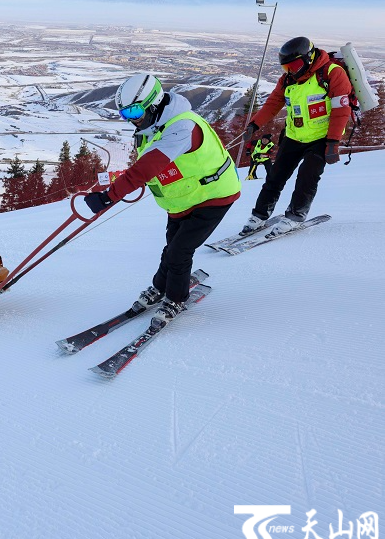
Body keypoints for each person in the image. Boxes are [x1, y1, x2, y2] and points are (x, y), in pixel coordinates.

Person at [82, 74, 241, 325]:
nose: (131, 119)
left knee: (180, 251)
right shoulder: (150, 126)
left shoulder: (182, 127)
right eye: (124, 114)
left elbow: (147, 167)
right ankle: (160, 287)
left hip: (214, 194)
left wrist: (109, 196)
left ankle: (176, 298)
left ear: (153, 103)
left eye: (134, 111)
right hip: (183, 199)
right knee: (171, 247)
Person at [238, 36, 351, 236]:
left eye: (294, 66)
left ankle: (295, 216)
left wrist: (333, 142)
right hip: (293, 136)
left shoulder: (332, 73)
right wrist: (254, 125)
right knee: (275, 176)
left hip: (321, 138)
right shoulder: (288, 79)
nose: (290, 71)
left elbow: (341, 111)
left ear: (308, 58)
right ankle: (259, 215)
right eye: (286, 67)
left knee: (307, 178)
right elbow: (273, 103)